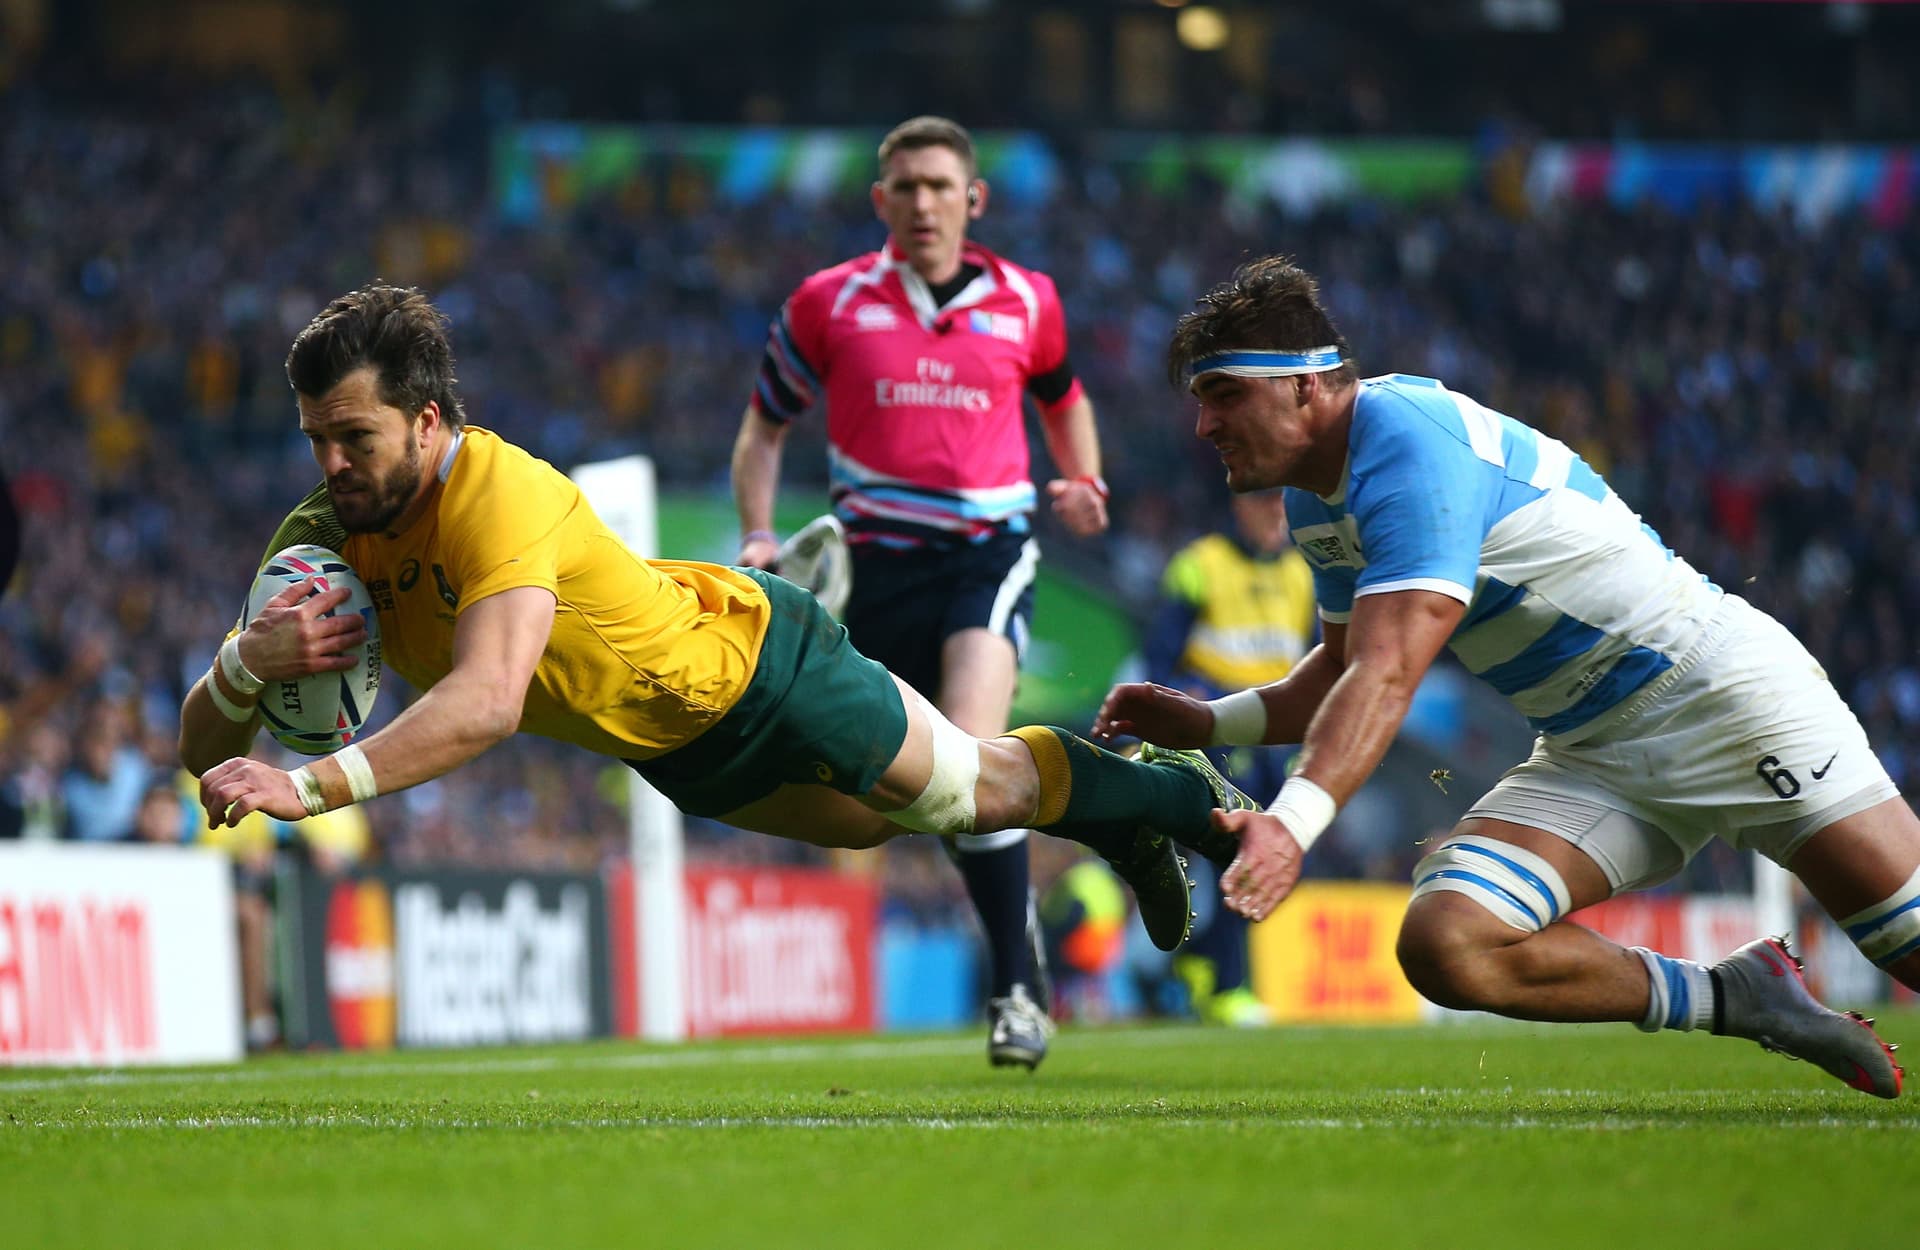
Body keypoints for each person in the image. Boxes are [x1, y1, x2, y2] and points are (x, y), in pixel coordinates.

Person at [181, 286, 1251, 1024]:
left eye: (353, 437)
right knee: (880, 825)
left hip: (757, 667)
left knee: (967, 792)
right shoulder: (322, 530)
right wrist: (244, 660)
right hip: (677, 749)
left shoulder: (495, 493)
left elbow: (491, 699)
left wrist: (310, 784)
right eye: (315, 434)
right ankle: (1120, 808)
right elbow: (201, 748)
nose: (330, 462)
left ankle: (1162, 801)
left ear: (424, 421)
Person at [1096, 255, 1916, 1098]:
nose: (1203, 425)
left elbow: (1385, 674)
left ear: (1306, 386)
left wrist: (1291, 823)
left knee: (1911, 946)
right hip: (1590, 752)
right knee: (1449, 943)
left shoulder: (1409, 438)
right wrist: (1208, 723)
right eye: (1200, 400)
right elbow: (1340, 671)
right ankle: (1737, 996)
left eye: (1225, 393)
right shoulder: (1316, 500)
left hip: (1719, 697)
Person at [729, 116, 1110, 1069]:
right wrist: (758, 534)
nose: (924, 202)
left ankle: (1019, 991)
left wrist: (1082, 478)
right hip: (869, 570)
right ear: (881, 201)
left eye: (942, 185)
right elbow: (762, 430)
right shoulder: (826, 304)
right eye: (906, 186)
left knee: (973, 759)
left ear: (974, 199)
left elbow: (1064, 397)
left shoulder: (1030, 302)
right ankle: (1024, 962)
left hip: (988, 552)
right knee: (912, 795)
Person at [1143, 489, 1315, 1026]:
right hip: (1217, 730)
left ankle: (1195, 967)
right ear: (1239, 506)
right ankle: (1226, 985)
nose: (1278, 517)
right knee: (1239, 853)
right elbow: (1159, 657)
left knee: (1272, 858)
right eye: (1266, 505)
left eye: (1284, 506)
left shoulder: (1302, 575)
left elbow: (1312, 660)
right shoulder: (1199, 567)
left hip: (1277, 738)